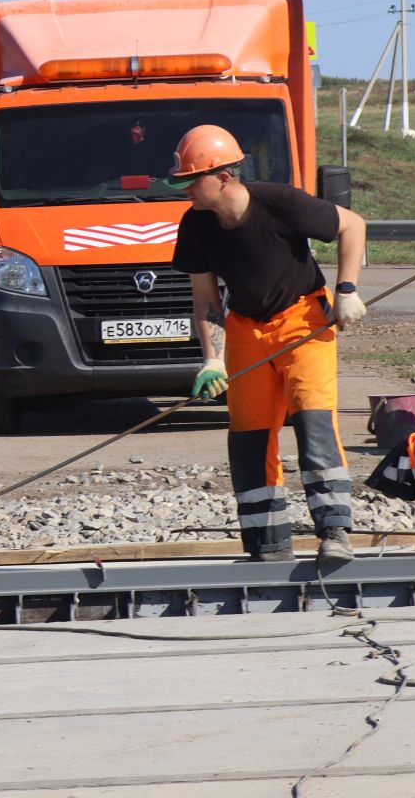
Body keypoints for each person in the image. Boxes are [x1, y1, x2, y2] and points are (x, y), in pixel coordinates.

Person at [167, 125, 368, 567]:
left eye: (191, 180)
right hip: (245, 330)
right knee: (249, 437)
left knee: (313, 422)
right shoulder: (196, 225)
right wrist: (211, 360)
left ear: (223, 176)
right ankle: (267, 543)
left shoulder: (280, 203)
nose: (185, 190)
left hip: (303, 323)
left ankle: (334, 530)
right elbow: (205, 300)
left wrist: (347, 289)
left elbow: (352, 224)